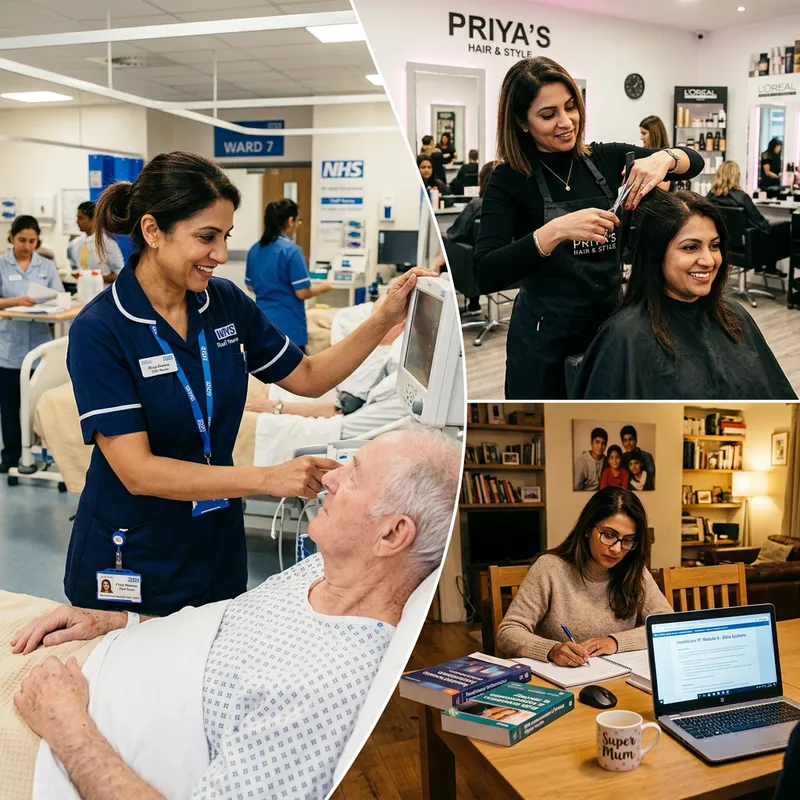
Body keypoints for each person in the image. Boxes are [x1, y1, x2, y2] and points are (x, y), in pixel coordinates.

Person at [63, 151, 435, 617]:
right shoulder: (101, 329)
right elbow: (138, 472)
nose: (220, 255)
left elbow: (308, 376)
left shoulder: (222, 303)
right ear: (154, 231)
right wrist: (267, 478)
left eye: (225, 236)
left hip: (214, 538)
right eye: (206, 237)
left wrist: (384, 317)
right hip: (135, 547)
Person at [5, 429, 461, 800]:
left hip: (66, 742)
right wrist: (121, 622)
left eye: (354, 478)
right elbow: (223, 633)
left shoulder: (323, 689)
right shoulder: (320, 570)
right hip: (100, 657)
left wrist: (66, 726)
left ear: (392, 534)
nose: (330, 477)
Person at [473, 57, 704, 399]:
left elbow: (693, 163)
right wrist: (554, 231)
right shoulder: (508, 180)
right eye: (548, 114)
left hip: (610, 328)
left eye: (571, 107)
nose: (566, 122)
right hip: (543, 339)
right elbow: (485, 272)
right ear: (522, 122)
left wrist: (665, 158)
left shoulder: (607, 159)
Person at [572, 189, 796, 399]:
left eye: (714, 245)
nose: (708, 261)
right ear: (656, 254)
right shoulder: (625, 336)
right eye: (690, 247)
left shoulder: (736, 316)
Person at [496, 487, 673, 666]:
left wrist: (615, 643)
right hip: (561, 680)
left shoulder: (635, 571)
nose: (617, 549)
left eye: (627, 540)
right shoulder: (550, 568)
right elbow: (508, 632)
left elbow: (666, 625)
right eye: (608, 535)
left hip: (617, 677)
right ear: (587, 529)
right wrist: (552, 649)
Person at [0, 215, 64, 473]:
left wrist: (46, 303)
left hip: (40, 348)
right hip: (9, 347)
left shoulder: (46, 266)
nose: (26, 245)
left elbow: (59, 297)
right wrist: (16, 302)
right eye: (21, 240)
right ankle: (12, 454)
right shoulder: (2, 265)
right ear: (11, 238)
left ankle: (45, 452)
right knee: (10, 405)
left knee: (40, 403)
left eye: (32, 241)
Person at [245, 198, 332, 351]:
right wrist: (324, 288)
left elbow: (250, 286)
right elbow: (302, 292)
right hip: (288, 327)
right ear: (290, 221)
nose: (297, 226)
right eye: (298, 221)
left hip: (261, 325)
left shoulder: (254, 249)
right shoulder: (291, 251)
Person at [434, 160, 498, 313]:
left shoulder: (477, 203)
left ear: (482, 181)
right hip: (505, 269)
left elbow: (455, 232)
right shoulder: (513, 206)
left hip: (474, 267)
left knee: (451, 243)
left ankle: (466, 302)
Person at [708, 160, 788, 277]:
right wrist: (769, 226)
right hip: (744, 247)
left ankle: (760, 267)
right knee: (777, 229)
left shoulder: (711, 196)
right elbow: (759, 221)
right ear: (737, 176)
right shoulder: (742, 197)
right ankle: (767, 268)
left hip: (722, 244)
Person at [67, 200, 125, 284]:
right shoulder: (74, 244)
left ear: (93, 220)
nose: (77, 222)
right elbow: (74, 267)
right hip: (83, 290)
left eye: (81, 218)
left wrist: (95, 278)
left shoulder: (108, 244)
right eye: (77, 218)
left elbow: (119, 272)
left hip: (102, 291)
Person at [639, 115, 672, 191]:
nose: (641, 137)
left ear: (654, 134)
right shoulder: (643, 154)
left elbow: (662, 190)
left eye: (644, 133)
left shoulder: (666, 157)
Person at [573, 426, 606, 491]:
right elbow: (576, 489)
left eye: (603, 443)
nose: (600, 446)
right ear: (591, 443)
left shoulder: (607, 460)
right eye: (597, 442)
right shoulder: (581, 462)